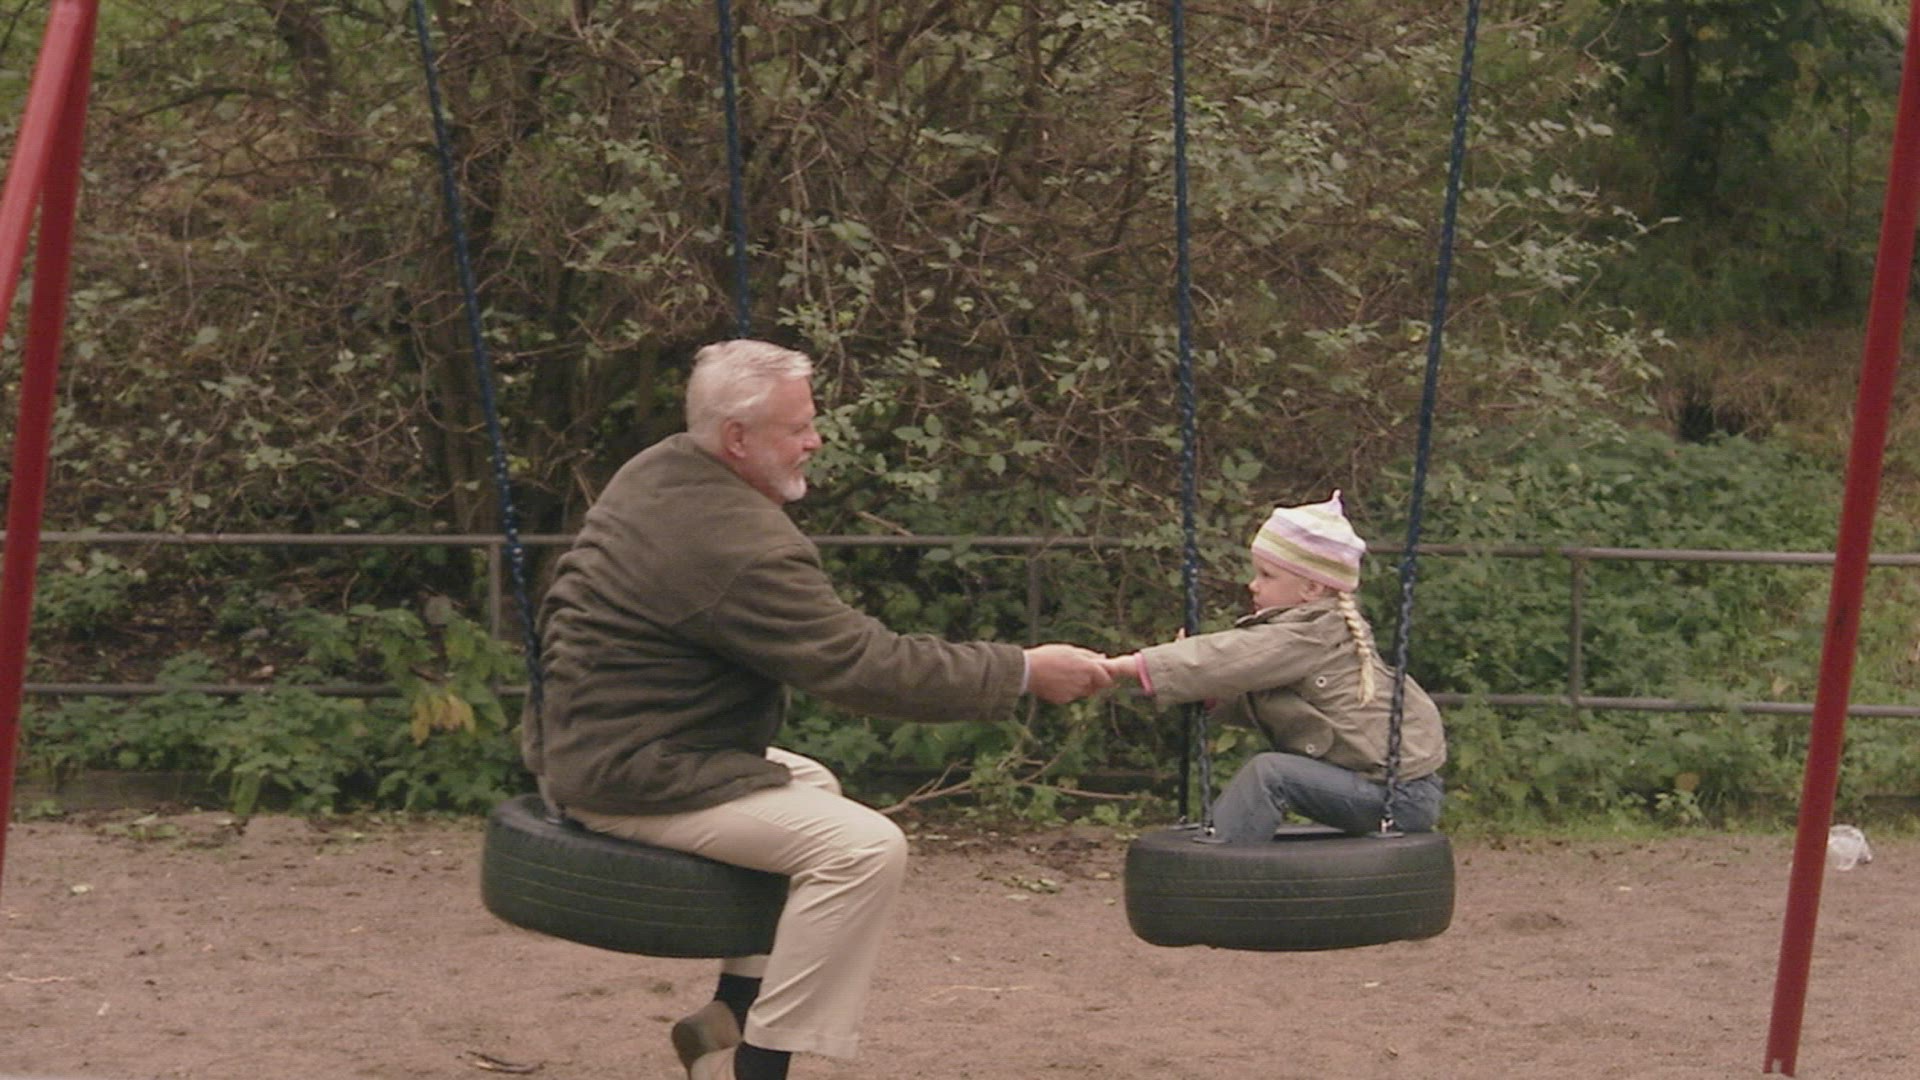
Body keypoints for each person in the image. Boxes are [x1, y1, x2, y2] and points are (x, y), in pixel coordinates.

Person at [519, 339, 1112, 1080]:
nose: (816, 440)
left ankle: (732, 1012)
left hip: (602, 741)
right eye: (798, 427)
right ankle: (756, 1068)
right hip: (626, 772)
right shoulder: (734, 544)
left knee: (814, 785)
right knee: (863, 849)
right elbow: (865, 666)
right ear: (737, 438)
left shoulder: (661, 469)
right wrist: (1022, 671)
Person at [1100, 492, 1446, 841]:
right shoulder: (1310, 636)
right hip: (1390, 790)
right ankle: (1219, 857)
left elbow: (1227, 657)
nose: (1253, 585)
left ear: (1311, 588)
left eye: (1267, 575)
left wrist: (1128, 666)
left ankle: (1215, 863)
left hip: (1399, 797)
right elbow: (1271, 702)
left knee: (1271, 773)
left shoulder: (1310, 634)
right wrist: (1212, 697)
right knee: (1271, 770)